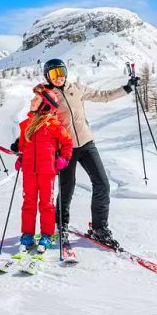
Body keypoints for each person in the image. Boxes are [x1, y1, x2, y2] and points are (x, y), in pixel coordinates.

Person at [36, 58, 138, 249]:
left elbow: (103, 95)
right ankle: (62, 225)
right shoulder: (48, 96)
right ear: (47, 77)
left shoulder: (77, 88)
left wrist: (127, 88)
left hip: (86, 143)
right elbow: (38, 121)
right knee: (67, 188)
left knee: (102, 183)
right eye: (53, 74)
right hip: (64, 149)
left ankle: (99, 228)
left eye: (61, 72)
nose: (58, 77)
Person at [12, 88, 73, 252]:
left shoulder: (54, 126)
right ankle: (27, 234)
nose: (32, 102)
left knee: (47, 204)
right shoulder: (26, 125)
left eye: (36, 100)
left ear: (45, 106)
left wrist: (64, 159)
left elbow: (68, 143)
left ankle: (46, 234)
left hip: (47, 172)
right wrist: (21, 158)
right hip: (29, 172)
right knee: (28, 203)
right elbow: (23, 147)